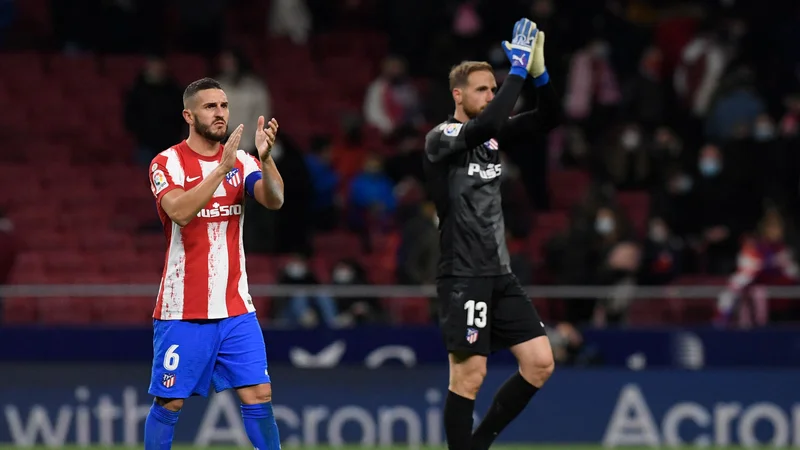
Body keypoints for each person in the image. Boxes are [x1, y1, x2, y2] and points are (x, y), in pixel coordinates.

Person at [422, 19, 560, 450]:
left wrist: (538, 73)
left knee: (540, 362)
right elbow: (483, 126)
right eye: (483, 89)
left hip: (499, 271)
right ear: (458, 95)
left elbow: (548, 118)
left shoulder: (492, 139)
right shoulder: (441, 137)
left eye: (493, 87)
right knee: (469, 375)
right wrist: (515, 73)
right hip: (463, 273)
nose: (492, 95)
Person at [144, 77, 284, 450]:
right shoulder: (167, 162)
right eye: (210, 107)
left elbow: (274, 199)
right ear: (189, 115)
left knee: (259, 395)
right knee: (170, 401)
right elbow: (179, 212)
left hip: (236, 307)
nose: (220, 113)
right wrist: (219, 172)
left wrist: (266, 161)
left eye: (223, 106)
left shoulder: (242, 159)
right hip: (182, 310)